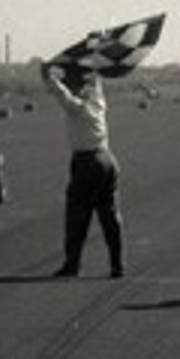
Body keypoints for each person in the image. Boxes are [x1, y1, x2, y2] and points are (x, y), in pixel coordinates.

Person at [42, 62, 125, 278]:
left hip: (87, 162)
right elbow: (96, 82)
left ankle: (72, 265)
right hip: (107, 158)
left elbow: (62, 95)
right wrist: (93, 57)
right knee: (110, 216)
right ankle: (117, 265)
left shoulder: (77, 109)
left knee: (78, 216)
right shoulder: (98, 103)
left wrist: (49, 76)